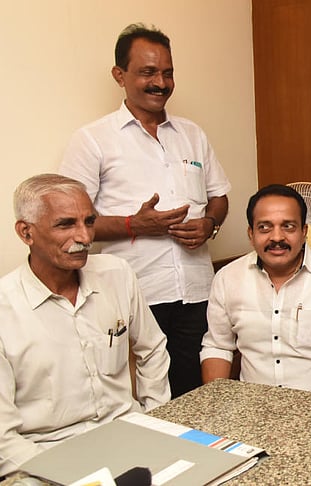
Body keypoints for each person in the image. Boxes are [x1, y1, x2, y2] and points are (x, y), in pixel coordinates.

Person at [59, 23, 231, 398]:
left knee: (195, 395)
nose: (161, 82)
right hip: (135, 295)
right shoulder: (92, 140)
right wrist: (134, 224)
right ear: (120, 75)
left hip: (197, 292)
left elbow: (219, 196)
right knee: (143, 400)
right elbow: (72, 226)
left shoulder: (192, 134)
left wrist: (209, 224)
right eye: (148, 72)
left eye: (167, 72)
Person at [0, 174, 170, 475]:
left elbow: (152, 348)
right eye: (65, 224)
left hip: (131, 436)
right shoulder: (5, 309)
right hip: (45, 456)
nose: (85, 238)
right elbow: (3, 439)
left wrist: (156, 418)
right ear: (26, 233)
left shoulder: (117, 273)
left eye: (89, 222)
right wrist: (73, 476)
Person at [200, 185, 311, 395]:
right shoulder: (227, 279)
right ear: (251, 234)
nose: (277, 237)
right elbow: (218, 346)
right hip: (250, 404)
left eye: (288, 226)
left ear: (304, 232)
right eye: (264, 227)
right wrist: (216, 403)